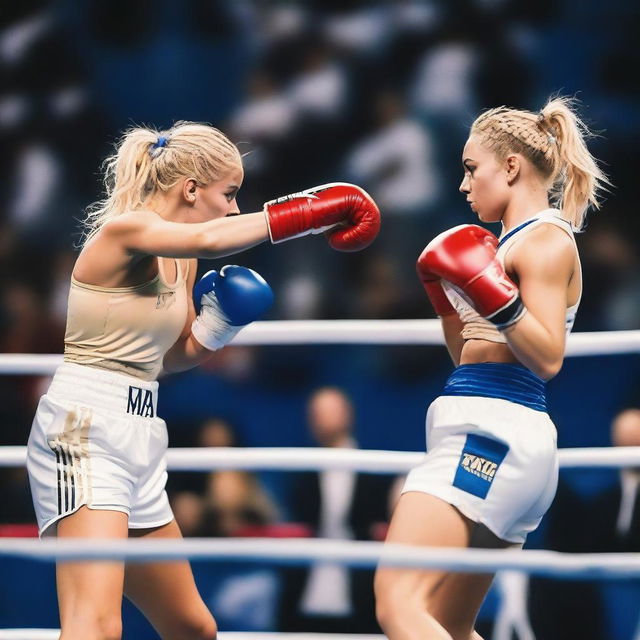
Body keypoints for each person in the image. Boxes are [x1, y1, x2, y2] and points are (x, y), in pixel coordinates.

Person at [25, 121, 380, 640]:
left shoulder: (182, 258)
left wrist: (219, 326)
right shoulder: (124, 232)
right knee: (94, 626)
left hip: (141, 429)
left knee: (193, 628)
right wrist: (306, 212)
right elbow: (213, 237)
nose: (235, 208)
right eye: (230, 194)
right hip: (84, 429)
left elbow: (169, 357)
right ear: (191, 189)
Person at [374, 96, 608, 640]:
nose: (462, 184)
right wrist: (447, 299)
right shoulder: (502, 245)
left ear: (510, 167)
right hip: (487, 424)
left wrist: (488, 291)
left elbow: (546, 356)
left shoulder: (547, 240)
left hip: (492, 433)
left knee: (397, 603)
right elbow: (470, 355)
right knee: (449, 623)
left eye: (470, 168)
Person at [279, 386, 392, 633]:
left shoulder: (374, 469)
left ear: (347, 414)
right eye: (316, 413)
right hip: (308, 582)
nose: (322, 419)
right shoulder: (301, 472)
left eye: (329, 411)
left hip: (360, 583)